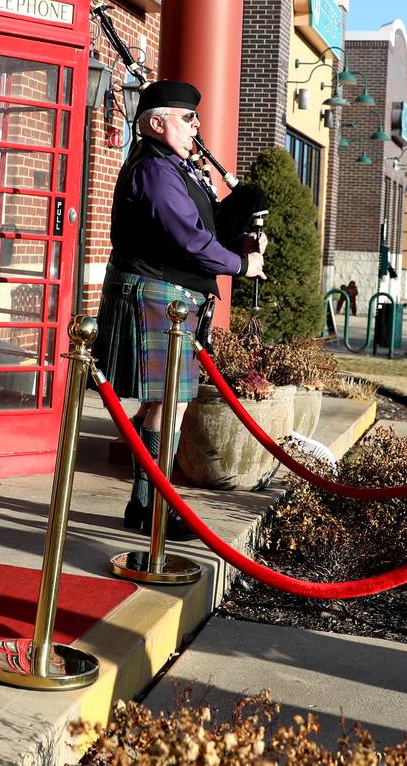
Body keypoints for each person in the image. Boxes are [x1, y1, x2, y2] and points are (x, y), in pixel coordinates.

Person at [94, 80, 264, 536]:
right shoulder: (153, 170)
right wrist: (242, 265)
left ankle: (146, 504)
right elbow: (187, 239)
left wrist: (240, 233)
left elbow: (200, 227)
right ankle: (152, 506)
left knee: (165, 405)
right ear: (156, 122)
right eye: (187, 118)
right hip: (155, 294)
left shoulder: (175, 166)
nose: (196, 126)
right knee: (167, 405)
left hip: (170, 297)